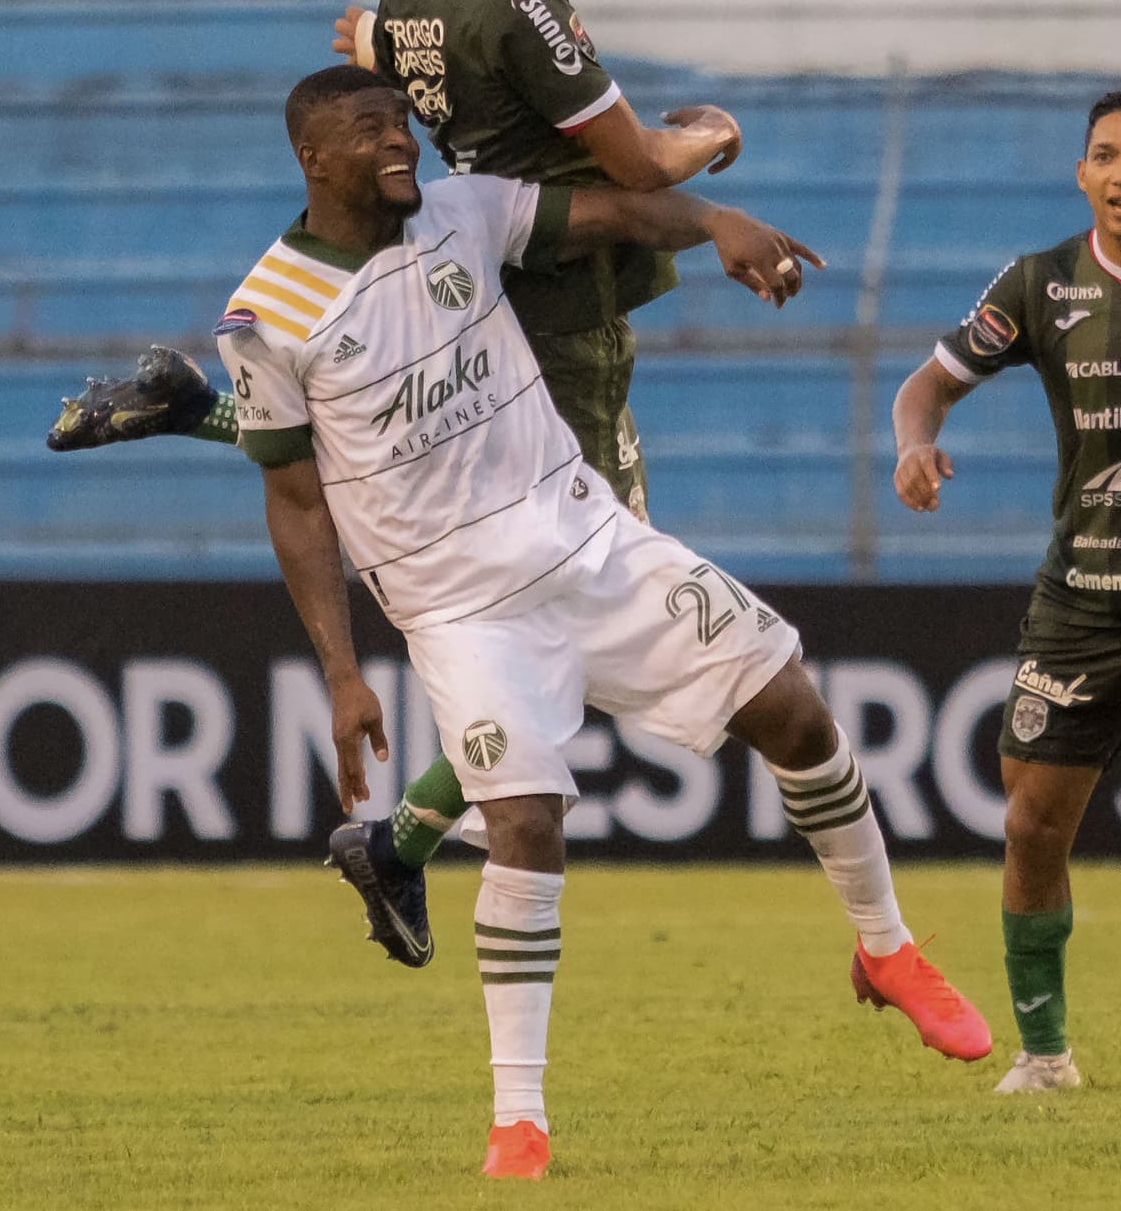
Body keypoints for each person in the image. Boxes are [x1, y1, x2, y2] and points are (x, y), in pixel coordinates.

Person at [222, 63, 990, 1179]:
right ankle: (518, 1119)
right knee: (525, 819)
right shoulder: (265, 316)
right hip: (458, 606)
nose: (400, 143)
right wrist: (342, 672)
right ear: (312, 156)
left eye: (401, 123)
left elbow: (619, 213)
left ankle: (888, 950)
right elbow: (295, 502)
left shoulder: (464, 210)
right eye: (371, 130)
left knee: (794, 709)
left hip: (588, 539)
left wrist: (716, 223)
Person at [47, 0, 746, 964]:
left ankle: (394, 842)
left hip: (479, 298)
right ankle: (400, 846)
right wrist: (713, 136)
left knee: (499, 571)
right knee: (576, 619)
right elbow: (635, 163)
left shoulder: (411, 1)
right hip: (544, 314)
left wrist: (377, 40)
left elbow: (417, 48)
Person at [891, 90, 1121, 1097]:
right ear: (1080, 174)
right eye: (1106, 155)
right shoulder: (1038, 283)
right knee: (1031, 827)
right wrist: (913, 444)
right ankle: (1043, 1055)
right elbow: (926, 384)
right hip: (1077, 599)